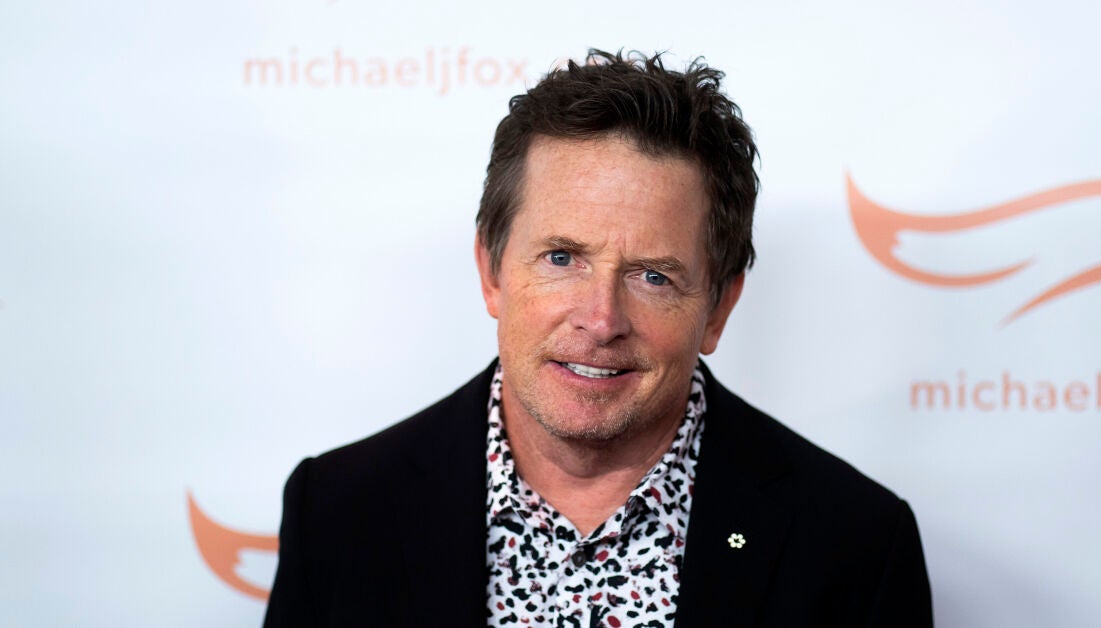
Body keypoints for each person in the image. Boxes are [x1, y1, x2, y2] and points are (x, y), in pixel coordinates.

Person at [264, 49, 933, 627]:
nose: (601, 319)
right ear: (492, 271)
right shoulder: (339, 511)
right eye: (562, 258)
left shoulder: (856, 545)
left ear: (719, 308)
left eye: (653, 276)